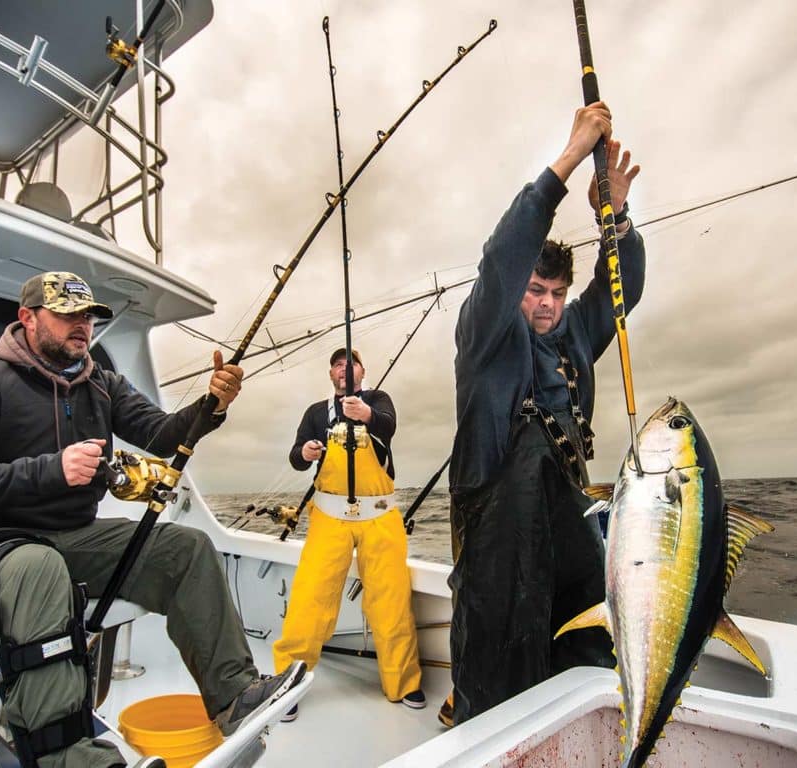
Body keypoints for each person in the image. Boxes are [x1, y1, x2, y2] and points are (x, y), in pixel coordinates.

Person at [0, 271, 306, 768]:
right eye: (67, 314)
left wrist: (213, 405)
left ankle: (235, 696)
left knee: (186, 547)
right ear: (27, 318)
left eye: (88, 316)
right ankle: (67, 754)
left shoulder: (101, 383)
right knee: (37, 567)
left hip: (63, 536)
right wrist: (51, 470)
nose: (82, 325)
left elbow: (162, 435)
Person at [447, 102, 645, 725]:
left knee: (587, 636)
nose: (548, 305)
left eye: (557, 293)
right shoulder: (486, 334)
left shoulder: (578, 331)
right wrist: (567, 161)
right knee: (500, 661)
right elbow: (501, 258)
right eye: (537, 291)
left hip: (570, 510)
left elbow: (625, 286)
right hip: (496, 525)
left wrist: (614, 217)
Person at [272, 348, 425, 720]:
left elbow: (387, 424)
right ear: (331, 374)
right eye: (338, 364)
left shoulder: (378, 401)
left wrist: (366, 415)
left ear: (362, 371)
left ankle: (403, 681)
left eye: (351, 363)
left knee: (391, 601)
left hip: (379, 516)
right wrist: (304, 452)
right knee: (310, 599)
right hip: (329, 515)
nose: (345, 369)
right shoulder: (315, 413)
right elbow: (295, 456)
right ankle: (287, 682)